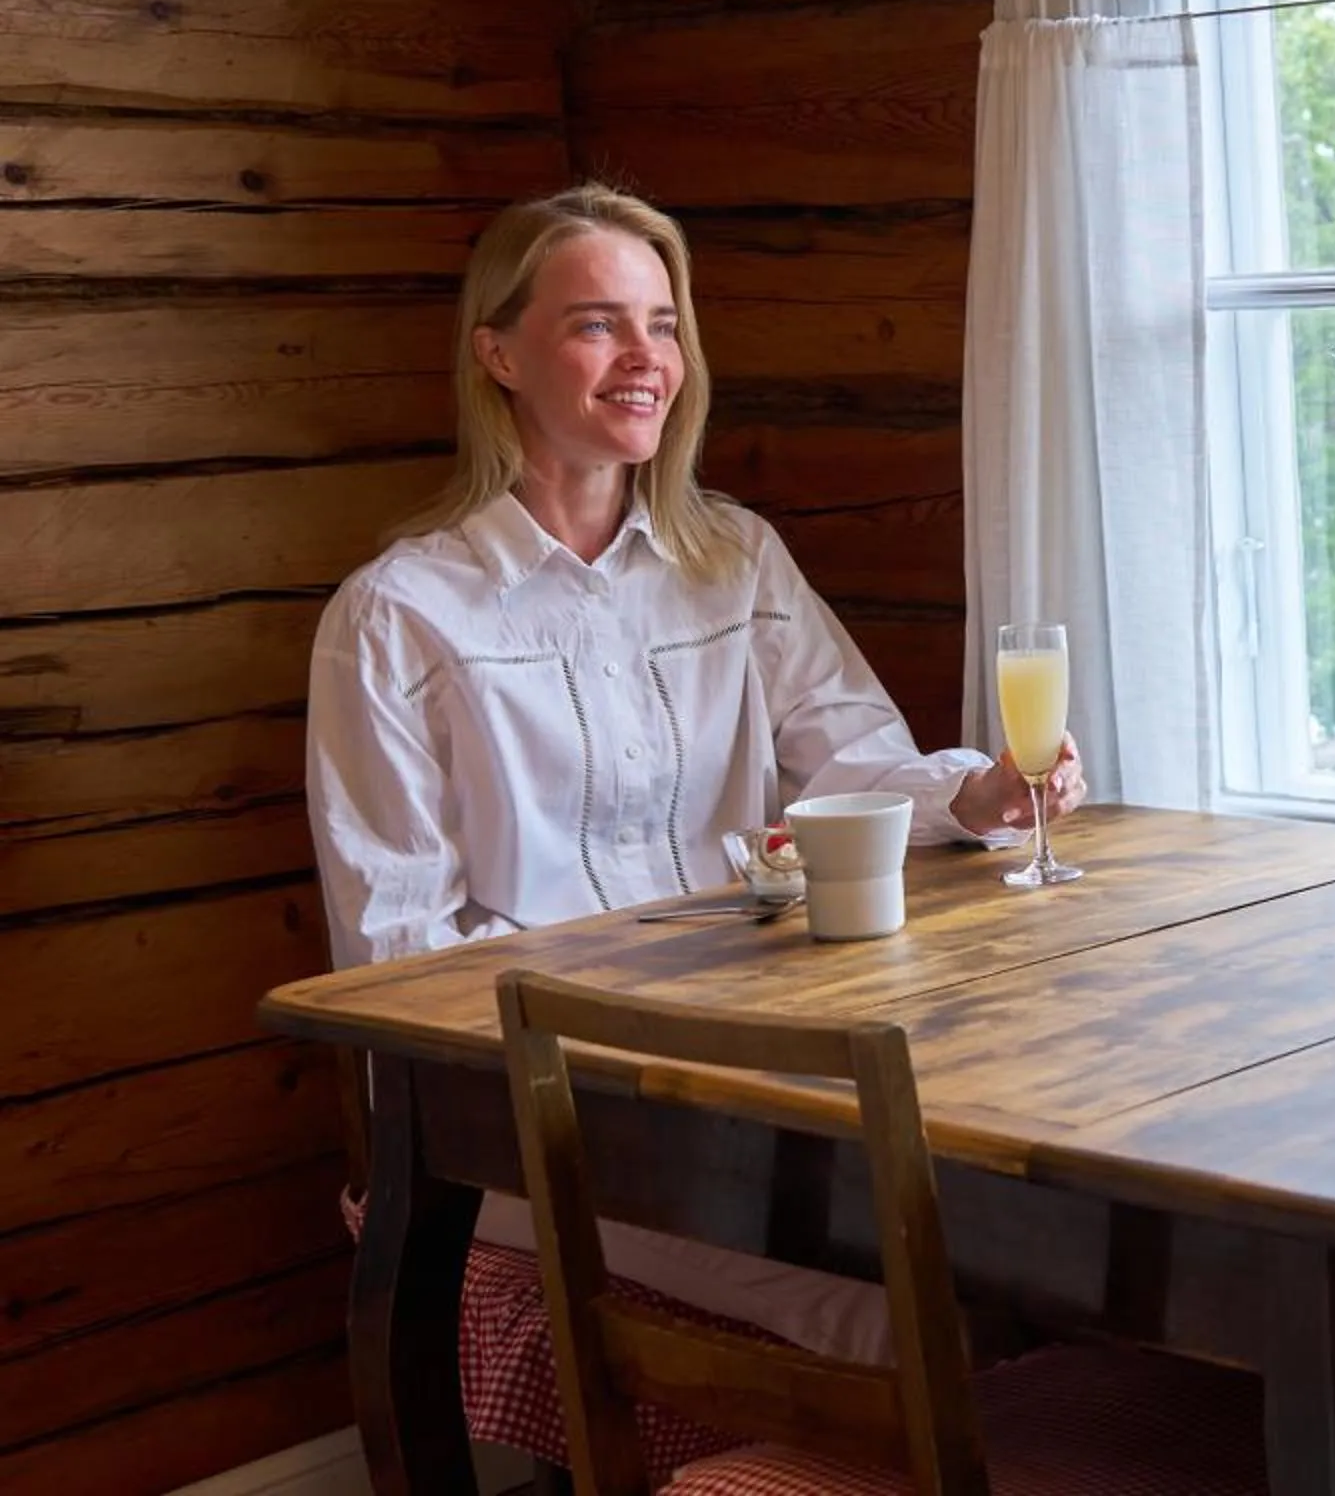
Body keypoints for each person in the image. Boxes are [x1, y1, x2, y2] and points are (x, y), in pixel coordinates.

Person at [306, 183, 1082, 1358]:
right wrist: (605, 1062)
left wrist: (977, 796)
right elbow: (399, 962)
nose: (644, 357)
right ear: (498, 353)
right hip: (536, 1113)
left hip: (752, 1071)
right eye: (596, 323)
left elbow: (854, 761)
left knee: (1039, 1252)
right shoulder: (399, 618)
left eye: (663, 323)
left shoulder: (735, 557)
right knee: (917, 1320)